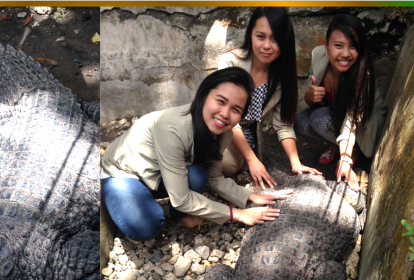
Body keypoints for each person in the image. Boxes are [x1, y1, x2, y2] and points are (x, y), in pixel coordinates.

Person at [101, 67, 293, 242]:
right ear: (203, 95)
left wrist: (248, 195)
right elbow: (182, 198)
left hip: (160, 172)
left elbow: (214, 176)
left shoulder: (223, 132)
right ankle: (122, 199)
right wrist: (239, 214)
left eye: (236, 110)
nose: (225, 114)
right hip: (124, 173)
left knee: (198, 175)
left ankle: (177, 213)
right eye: (220, 101)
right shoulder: (172, 128)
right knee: (145, 228)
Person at [218, 7, 321, 190]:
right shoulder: (230, 62)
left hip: (250, 135)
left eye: (275, 39)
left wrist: (296, 163)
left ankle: (240, 164)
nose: (267, 45)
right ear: (250, 35)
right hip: (223, 128)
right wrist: (251, 161)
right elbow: (228, 120)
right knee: (227, 165)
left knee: (237, 165)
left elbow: (283, 125)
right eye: (260, 36)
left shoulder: (281, 77)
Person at [296, 14, 388, 192]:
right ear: (326, 46)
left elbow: (351, 121)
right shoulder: (318, 55)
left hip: (364, 124)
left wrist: (346, 159)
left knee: (318, 119)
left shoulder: (363, 76)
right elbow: (313, 100)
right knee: (300, 122)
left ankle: (354, 151)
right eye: (338, 45)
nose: (345, 54)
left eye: (352, 47)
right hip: (334, 113)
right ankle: (337, 145)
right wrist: (309, 96)